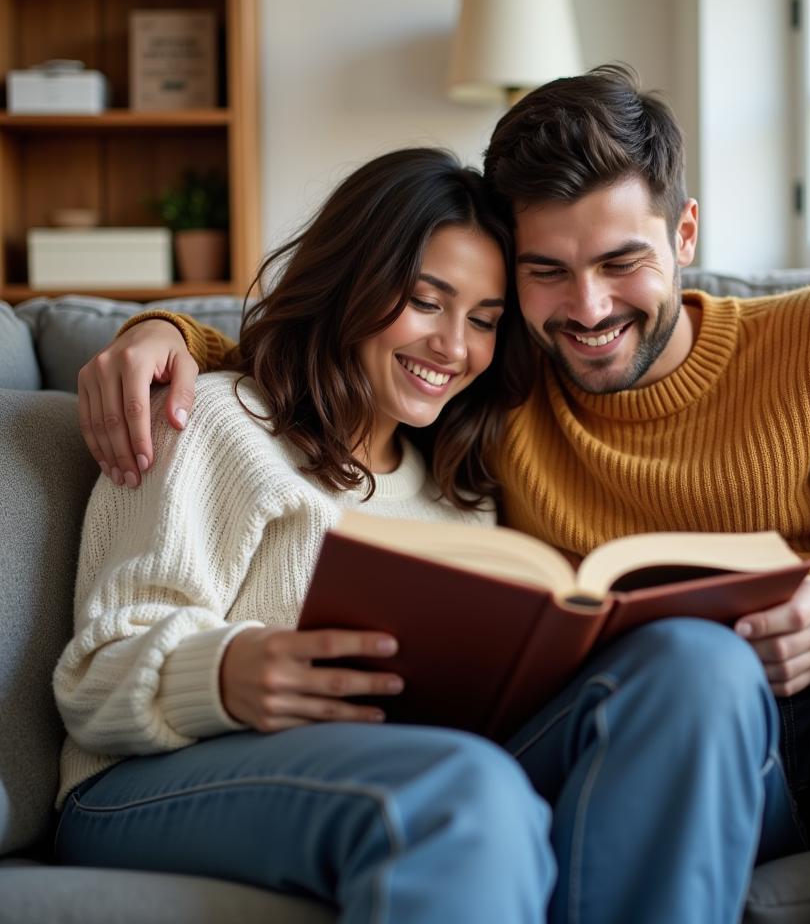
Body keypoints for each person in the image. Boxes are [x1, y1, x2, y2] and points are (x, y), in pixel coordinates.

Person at [78, 67, 810, 924]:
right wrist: (160, 335)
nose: (589, 309)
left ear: (685, 233)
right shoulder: (503, 382)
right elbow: (330, 361)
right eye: (545, 275)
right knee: (696, 663)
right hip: (668, 718)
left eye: (621, 262)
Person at [55, 148, 557, 923]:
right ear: (355, 279)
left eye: (485, 322)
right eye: (427, 302)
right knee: (463, 794)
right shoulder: (218, 422)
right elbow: (90, 682)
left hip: (369, 772)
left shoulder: (462, 497)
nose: (455, 347)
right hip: (137, 782)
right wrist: (223, 673)